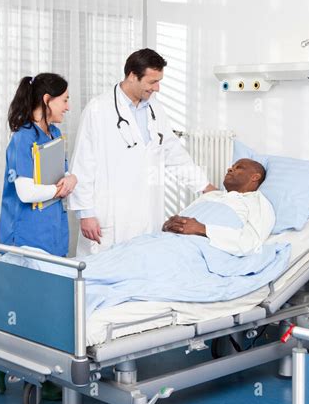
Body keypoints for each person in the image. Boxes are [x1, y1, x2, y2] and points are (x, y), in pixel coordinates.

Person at [69, 48, 215, 256]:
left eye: (159, 81)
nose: (157, 88)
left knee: (143, 267)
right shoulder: (98, 109)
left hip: (146, 209)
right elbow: (83, 164)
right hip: (110, 214)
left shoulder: (155, 108)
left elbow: (174, 152)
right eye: (152, 82)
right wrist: (86, 213)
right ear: (132, 76)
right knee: (102, 274)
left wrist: (204, 185)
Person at [0, 72, 77, 397]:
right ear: (46, 100)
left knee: (49, 306)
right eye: (64, 100)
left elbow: (62, 175)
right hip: (25, 236)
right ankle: (3, 365)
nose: (68, 106)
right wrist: (60, 187)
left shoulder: (53, 134)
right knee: (24, 310)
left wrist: (71, 180)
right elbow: (26, 192)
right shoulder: (22, 138)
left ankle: (46, 376)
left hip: (52, 233)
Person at [162, 158, 275, 256]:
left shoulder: (257, 202)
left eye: (239, 167)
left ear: (255, 177)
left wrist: (203, 229)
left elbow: (250, 244)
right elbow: (180, 221)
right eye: (232, 167)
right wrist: (169, 225)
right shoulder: (211, 196)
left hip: (198, 250)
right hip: (167, 241)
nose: (229, 169)